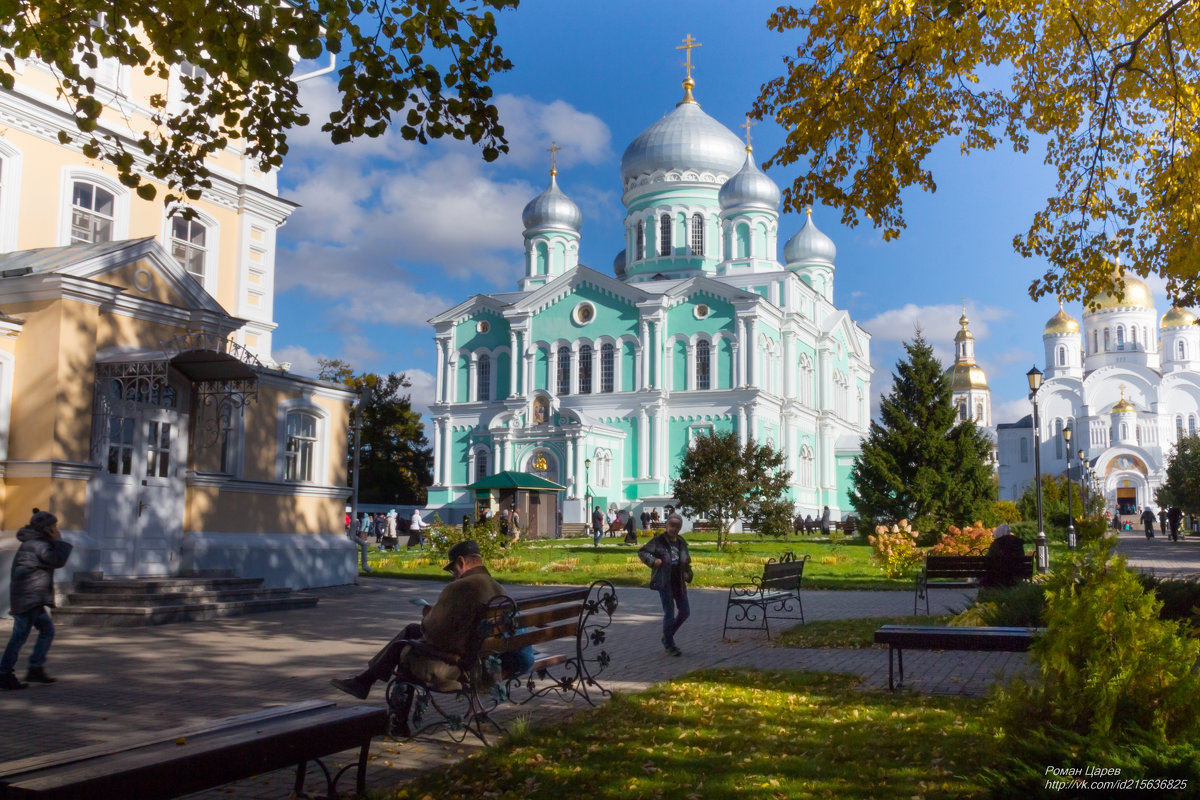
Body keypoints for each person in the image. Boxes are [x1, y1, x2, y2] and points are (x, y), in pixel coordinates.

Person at [330, 541, 532, 734]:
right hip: (485, 657)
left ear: (461, 562)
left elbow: (433, 632)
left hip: (464, 665)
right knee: (410, 632)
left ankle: (394, 718)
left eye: (453, 569)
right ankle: (365, 681)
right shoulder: (495, 586)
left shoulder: (462, 586)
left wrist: (428, 613)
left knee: (406, 651)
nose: (453, 575)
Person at [2, 511, 72, 690]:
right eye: (54, 527)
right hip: (29, 598)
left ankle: (35, 668)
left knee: (47, 630)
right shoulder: (36, 545)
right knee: (19, 637)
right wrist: (58, 541)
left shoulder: (35, 543)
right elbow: (56, 560)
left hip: (32, 597)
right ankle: (4, 674)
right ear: (46, 529)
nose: (57, 529)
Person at [638, 514, 691, 657]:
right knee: (669, 611)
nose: (674, 528)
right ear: (666, 525)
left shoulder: (681, 542)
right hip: (664, 580)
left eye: (677, 526)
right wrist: (653, 560)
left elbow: (686, 561)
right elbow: (642, 552)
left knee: (685, 611)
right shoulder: (658, 541)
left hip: (678, 580)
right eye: (671, 525)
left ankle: (667, 637)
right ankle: (669, 644)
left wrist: (688, 573)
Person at [981, 523, 1027, 588]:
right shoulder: (1018, 543)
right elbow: (1021, 558)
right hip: (1015, 575)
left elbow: (987, 560)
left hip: (998, 576)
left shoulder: (996, 543)